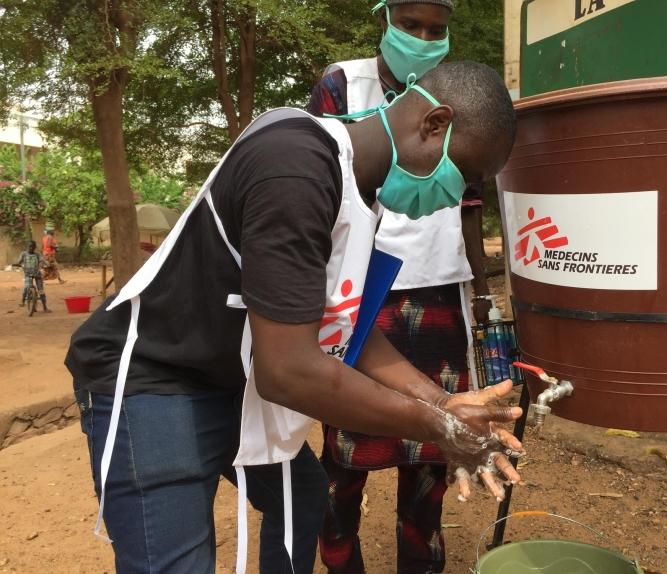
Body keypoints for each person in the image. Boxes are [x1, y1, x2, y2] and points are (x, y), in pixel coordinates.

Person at [65, 61, 520, 574]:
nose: (458, 197)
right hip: (153, 376)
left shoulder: (357, 192)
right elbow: (289, 371)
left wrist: (442, 400)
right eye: (465, 176)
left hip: (226, 378)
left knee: (301, 497)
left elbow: (352, 327)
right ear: (433, 124)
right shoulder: (296, 166)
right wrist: (438, 425)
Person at [307, 2, 495, 572]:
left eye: (436, 29)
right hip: (361, 290)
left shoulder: (460, 93)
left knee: (431, 461)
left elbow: (469, 203)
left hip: (439, 289)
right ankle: (342, 562)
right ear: (384, 18)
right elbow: (323, 182)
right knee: (346, 456)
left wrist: (482, 293)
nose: (423, 38)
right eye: (410, 25)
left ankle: (421, 564)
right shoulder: (342, 83)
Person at [14, 240, 51, 312]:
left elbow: (41, 260)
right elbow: (19, 261)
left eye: (32, 247)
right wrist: (17, 264)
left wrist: (43, 264)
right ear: (27, 247)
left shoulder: (37, 254)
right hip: (28, 273)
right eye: (29, 247)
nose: (31, 248)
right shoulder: (23, 254)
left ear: (35, 248)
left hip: (37, 273)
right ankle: (23, 300)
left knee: (41, 290)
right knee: (26, 287)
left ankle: (45, 307)